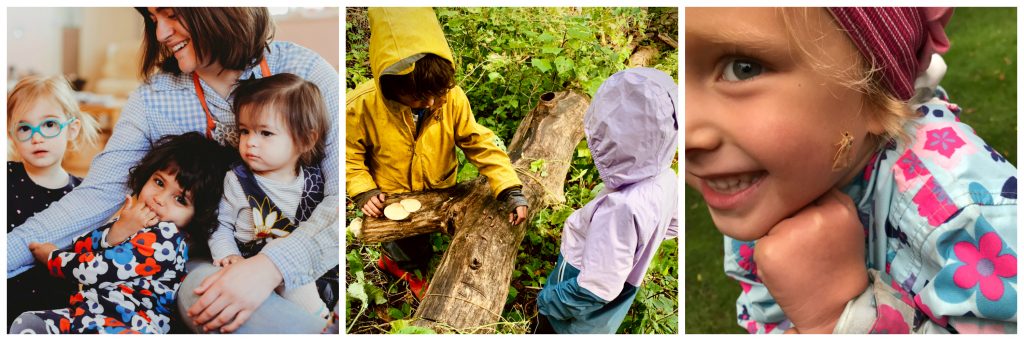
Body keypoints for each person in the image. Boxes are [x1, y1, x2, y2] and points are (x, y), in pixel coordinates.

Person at [6, 7, 339, 334]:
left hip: (318, 250)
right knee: (211, 298)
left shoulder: (305, 72)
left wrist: (272, 266)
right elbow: (95, 196)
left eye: (171, 14)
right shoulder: (154, 98)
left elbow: (346, 194)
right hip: (212, 264)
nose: (161, 34)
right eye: (153, 20)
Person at [686, 8, 1016, 333]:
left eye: (744, 69)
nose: (684, 133)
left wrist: (835, 319)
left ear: (874, 91)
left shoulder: (960, 214)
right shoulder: (765, 188)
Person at [346, 7, 528, 300]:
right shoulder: (360, 106)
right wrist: (363, 191)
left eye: (436, 94)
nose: (430, 102)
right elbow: (348, 157)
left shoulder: (449, 97)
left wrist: (508, 187)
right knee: (406, 243)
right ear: (392, 85)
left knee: (424, 236)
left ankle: (404, 259)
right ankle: (401, 266)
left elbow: (476, 140)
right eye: (418, 97)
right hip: (394, 193)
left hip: (439, 187)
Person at [9, 132, 235, 334]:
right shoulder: (132, 219)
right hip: (89, 315)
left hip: (131, 326)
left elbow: (93, 270)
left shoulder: (166, 238)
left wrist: (52, 258)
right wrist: (117, 231)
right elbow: (81, 245)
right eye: (158, 182)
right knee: (27, 323)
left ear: (196, 215)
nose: (159, 199)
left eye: (180, 199)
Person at [536, 68, 679, 334]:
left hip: (567, 323)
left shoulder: (622, 208)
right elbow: (674, 225)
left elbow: (594, 288)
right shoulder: (666, 178)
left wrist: (547, 302)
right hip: (603, 320)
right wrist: (636, 248)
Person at [208, 73, 333, 325]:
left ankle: (328, 317)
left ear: (306, 139)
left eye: (265, 133)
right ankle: (321, 322)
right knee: (291, 288)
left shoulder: (313, 181)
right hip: (250, 263)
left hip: (299, 264)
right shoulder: (237, 180)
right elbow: (219, 225)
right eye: (245, 131)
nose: (250, 142)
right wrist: (227, 254)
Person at [6, 75, 101, 326]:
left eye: (49, 124)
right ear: (12, 135)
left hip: (56, 314)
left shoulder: (84, 194)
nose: (37, 137)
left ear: (72, 129)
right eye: (25, 128)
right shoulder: (6, 177)